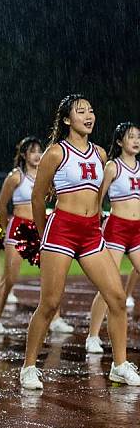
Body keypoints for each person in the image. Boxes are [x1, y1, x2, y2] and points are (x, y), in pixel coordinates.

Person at [20, 94, 140, 389]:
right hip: (61, 230)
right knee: (49, 303)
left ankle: (119, 365)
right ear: (66, 120)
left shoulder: (100, 154)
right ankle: (29, 367)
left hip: (90, 234)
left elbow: (99, 198)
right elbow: (38, 196)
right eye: (81, 111)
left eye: (91, 110)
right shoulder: (56, 153)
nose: (89, 115)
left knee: (116, 298)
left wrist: (97, 223)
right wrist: (41, 232)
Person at [0, 137, 73, 334]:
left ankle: (56, 319)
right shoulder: (16, 176)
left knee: (52, 278)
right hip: (18, 228)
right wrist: (4, 227)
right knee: (10, 278)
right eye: (32, 151)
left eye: (39, 150)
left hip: (40, 227)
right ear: (24, 155)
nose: (37, 155)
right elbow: (1, 205)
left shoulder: (48, 176)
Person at [86, 122, 140, 352]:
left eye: (138, 136)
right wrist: (95, 221)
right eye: (130, 137)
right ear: (120, 142)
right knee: (108, 283)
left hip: (137, 230)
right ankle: (93, 335)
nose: (136, 141)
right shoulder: (112, 167)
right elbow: (98, 197)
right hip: (117, 228)